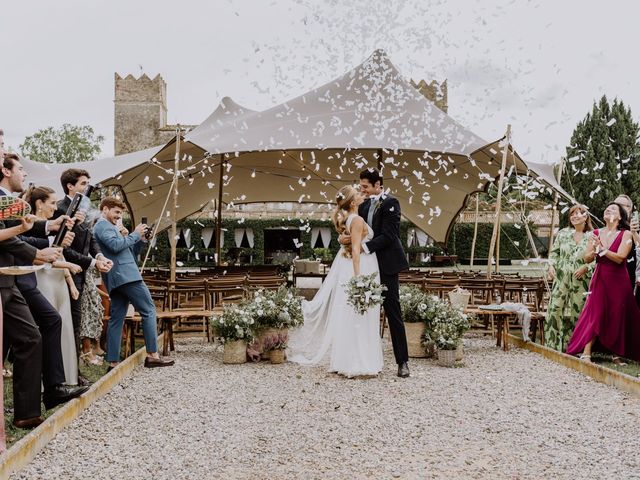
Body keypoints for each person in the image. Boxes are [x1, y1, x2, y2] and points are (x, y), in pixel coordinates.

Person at [0, 133, 87, 429]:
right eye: (19, 168)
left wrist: (51, 227)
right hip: (9, 277)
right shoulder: (5, 198)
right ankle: (32, 407)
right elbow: (12, 238)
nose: (24, 172)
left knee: (35, 332)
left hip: (13, 277)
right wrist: (41, 253)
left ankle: (38, 403)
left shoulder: (8, 201)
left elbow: (17, 229)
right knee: (30, 336)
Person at [288, 185, 383, 377]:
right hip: (361, 267)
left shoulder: (349, 219)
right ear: (353, 202)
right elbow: (356, 250)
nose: (361, 193)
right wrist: (360, 279)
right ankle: (359, 362)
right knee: (360, 315)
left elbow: (351, 243)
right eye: (358, 193)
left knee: (352, 314)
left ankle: (347, 359)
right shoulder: (356, 219)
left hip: (358, 266)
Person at [93, 197, 174, 369]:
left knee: (117, 318)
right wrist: (134, 233)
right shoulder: (101, 225)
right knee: (149, 309)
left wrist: (141, 240)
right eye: (116, 212)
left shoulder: (113, 227)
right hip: (126, 276)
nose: (118, 217)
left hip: (118, 277)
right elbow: (115, 246)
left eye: (120, 214)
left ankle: (113, 362)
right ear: (105, 209)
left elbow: (129, 251)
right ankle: (152, 355)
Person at [344, 169, 410, 378]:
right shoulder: (361, 205)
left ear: (377, 184)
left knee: (393, 312)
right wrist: (345, 240)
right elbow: (354, 231)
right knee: (363, 312)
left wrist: (364, 248)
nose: (362, 190)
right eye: (361, 186)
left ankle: (403, 362)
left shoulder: (391, 203)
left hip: (386, 265)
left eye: (365, 186)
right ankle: (365, 359)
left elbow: (390, 235)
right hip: (365, 266)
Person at [55, 169, 112, 381]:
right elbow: (62, 247)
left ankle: (74, 370)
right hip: (66, 272)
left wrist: (99, 256)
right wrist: (91, 262)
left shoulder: (85, 208)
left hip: (82, 272)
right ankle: (69, 371)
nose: (86, 187)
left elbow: (90, 238)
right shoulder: (60, 209)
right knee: (68, 322)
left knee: (77, 323)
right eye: (83, 183)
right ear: (70, 186)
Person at [566, 202, 640, 363]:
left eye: (613, 209)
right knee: (595, 312)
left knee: (617, 314)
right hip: (600, 277)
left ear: (620, 216)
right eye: (607, 208)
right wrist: (594, 250)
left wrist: (603, 249)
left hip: (619, 279)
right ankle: (586, 352)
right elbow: (586, 258)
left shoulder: (626, 234)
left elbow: (621, 258)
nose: (608, 210)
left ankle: (616, 354)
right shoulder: (596, 232)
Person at [25, 186, 83, 383]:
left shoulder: (50, 225)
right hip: (41, 277)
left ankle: (66, 376)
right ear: (39, 203)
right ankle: (48, 381)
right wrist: (66, 263)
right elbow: (35, 254)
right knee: (48, 326)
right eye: (52, 202)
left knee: (62, 325)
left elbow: (58, 252)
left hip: (57, 277)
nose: (55, 206)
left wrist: (69, 280)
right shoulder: (29, 222)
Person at [545, 205, 594, 351]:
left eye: (579, 213)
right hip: (561, 279)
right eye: (572, 214)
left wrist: (587, 267)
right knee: (555, 310)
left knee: (576, 314)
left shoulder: (593, 235)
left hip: (581, 282)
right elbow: (554, 254)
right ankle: (551, 346)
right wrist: (551, 266)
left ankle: (572, 348)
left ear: (586, 217)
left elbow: (598, 259)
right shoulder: (562, 234)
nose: (575, 216)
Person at [612, 194, 640, 306]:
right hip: (612, 277)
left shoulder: (636, 227)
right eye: (616, 204)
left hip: (632, 279)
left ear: (630, 209)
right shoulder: (608, 229)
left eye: (622, 205)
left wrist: (634, 232)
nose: (618, 207)